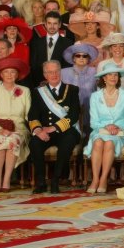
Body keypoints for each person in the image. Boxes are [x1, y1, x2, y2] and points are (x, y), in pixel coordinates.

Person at [27, 61, 83, 194]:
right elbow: (32, 115)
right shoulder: (38, 92)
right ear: (45, 75)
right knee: (34, 143)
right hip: (45, 131)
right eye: (50, 72)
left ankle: (55, 180)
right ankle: (41, 181)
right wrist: (38, 130)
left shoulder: (72, 90)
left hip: (66, 131)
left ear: (60, 72)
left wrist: (54, 128)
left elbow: (74, 114)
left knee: (67, 142)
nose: (54, 74)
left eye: (56, 71)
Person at [0, 57, 32, 193]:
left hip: (19, 129)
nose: (9, 75)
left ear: (17, 75)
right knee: (3, 140)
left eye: (12, 72)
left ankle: (6, 179)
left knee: (12, 140)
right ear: (1, 75)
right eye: (6, 72)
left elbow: (29, 115)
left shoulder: (25, 90)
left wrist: (34, 128)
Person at [84, 60, 124, 194]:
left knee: (109, 143)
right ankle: (95, 179)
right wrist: (107, 126)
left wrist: (117, 127)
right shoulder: (95, 97)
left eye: (116, 75)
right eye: (110, 75)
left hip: (119, 133)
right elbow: (93, 123)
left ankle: (103, 179)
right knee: (98, 142)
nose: (113, 77)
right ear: (104, 78)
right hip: (99, 131)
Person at [60, 42, 99, 136]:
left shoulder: (95, 72)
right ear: (73, 58)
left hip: (90, 110)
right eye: (78, 55)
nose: (81, 58)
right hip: (68, 111)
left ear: (88, 58)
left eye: (85, 56)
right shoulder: (63, 72)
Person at [29, 11, 74, 84]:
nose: (52, 27)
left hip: (60, 83)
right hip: (39, 83)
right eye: (49, 23)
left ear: (59, 25)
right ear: (45, 24)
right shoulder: (35, 43)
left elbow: (68, 66)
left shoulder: (68, 43)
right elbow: (33, 66)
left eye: (55, 23)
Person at [100, 32, 124, 102]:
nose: (118, 49)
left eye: (121, 46)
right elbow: (100, 86)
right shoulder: (102, 64)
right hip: (107, 104)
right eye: (114, 46)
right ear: (110, 49)